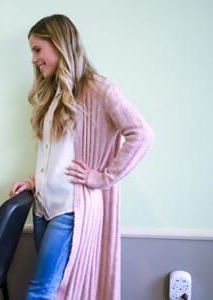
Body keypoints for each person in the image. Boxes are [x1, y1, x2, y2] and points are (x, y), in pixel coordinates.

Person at [9, 14, 154, 300]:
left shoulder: (100, 90)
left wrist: (102, 177)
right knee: (56, 289)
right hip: (43, 209)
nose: (33, 59)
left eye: (38, 50)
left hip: (70, 210)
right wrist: (33, 181)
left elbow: (142, 134)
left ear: (60, 45)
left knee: (40, 292)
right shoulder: (51, 94)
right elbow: (54, 153)